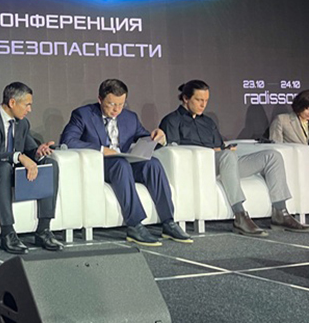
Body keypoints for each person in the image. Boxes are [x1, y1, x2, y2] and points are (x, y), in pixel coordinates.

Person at [160, 80, 309, 236]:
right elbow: (175, 149)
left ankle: (280, 213)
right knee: (227, 156)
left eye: (206, 100)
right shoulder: (172, 121)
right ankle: (240, 215)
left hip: (224, 162)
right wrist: (214, 151)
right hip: (200, 167)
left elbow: (220, 145)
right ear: (185, 98)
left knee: (272, 156)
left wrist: (225, 149)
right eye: (199, 100)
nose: (203, 105)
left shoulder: (207, 122)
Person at [60, 79, 192, 246]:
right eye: (111, 104)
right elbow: (68, 140)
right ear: (100, 99)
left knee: (153, 164)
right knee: (120, 164)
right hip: (100, 165)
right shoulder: (83, 115)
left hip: (124, 163)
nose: (116, 109)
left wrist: (159, 138)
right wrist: (101, 149)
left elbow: (146, 138)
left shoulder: (130, 117)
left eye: (121, 104)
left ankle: (168, 222)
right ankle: (135, 225)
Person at [0, 82, 65, 253]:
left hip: (12, 169)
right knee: (3, 167)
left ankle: (43, 230)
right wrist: (17, 156)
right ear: (12, 102)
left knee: (50, 164)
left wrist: (38, 152)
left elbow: (30, 150)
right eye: (27, 105)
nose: (30, 109)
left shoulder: (23, 123)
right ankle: (8, 233)